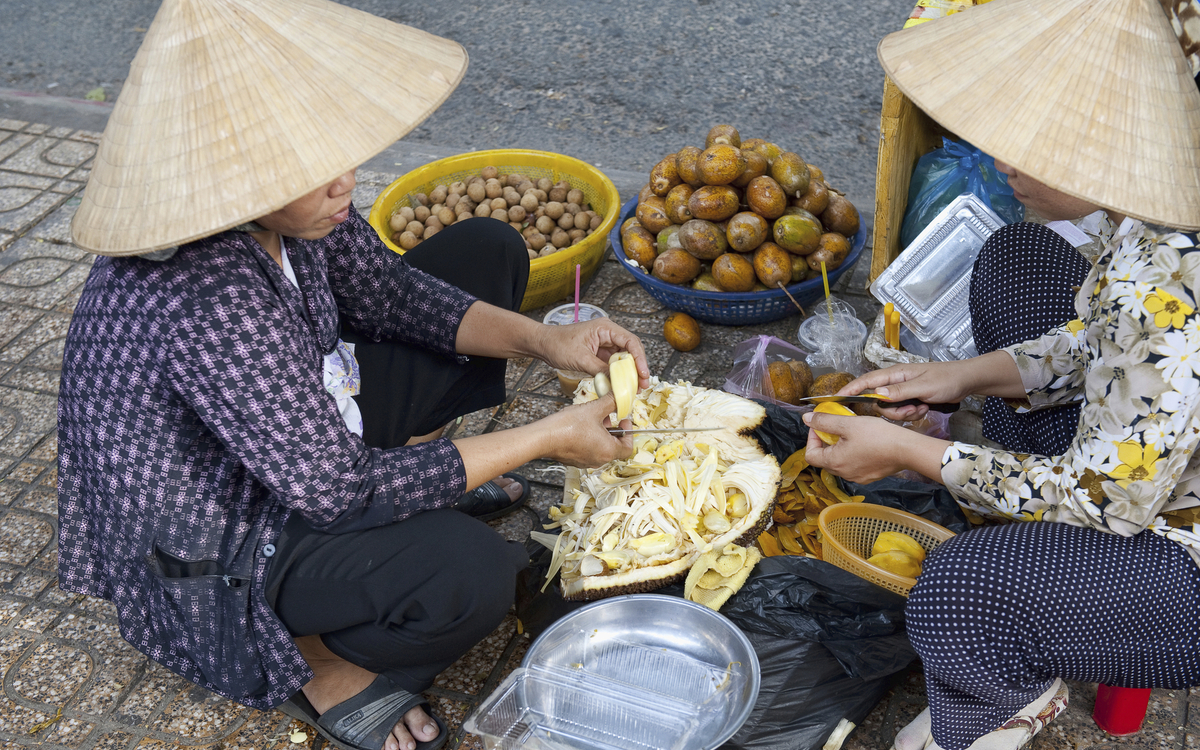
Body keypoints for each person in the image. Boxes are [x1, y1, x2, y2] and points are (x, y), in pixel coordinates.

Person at [55, 3, 647, 750]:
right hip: (221, 531)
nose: (346, 184)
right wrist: (547, 438)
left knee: (486, 252)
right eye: (314, 172)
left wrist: (546, 340)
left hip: (299, 446)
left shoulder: (288, 217)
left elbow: (391, 295)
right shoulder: (211, 298)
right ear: (237, 182)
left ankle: (423, 487)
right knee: (471, 579)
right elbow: (337, 491)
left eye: (338, 158)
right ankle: (314, 662)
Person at [803, 1, 1200, 749]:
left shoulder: (1171, 293)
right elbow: (1101, 338)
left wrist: (914, 453)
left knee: (959, 592)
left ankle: (1010, 692)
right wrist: (956, 378)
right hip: (1139, 451)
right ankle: (1030, 554)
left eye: (1035, 146)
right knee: (1019, 256)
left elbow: (1099, 503)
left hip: (1177, 547)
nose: (1003, 161)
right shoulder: (1154, 214)